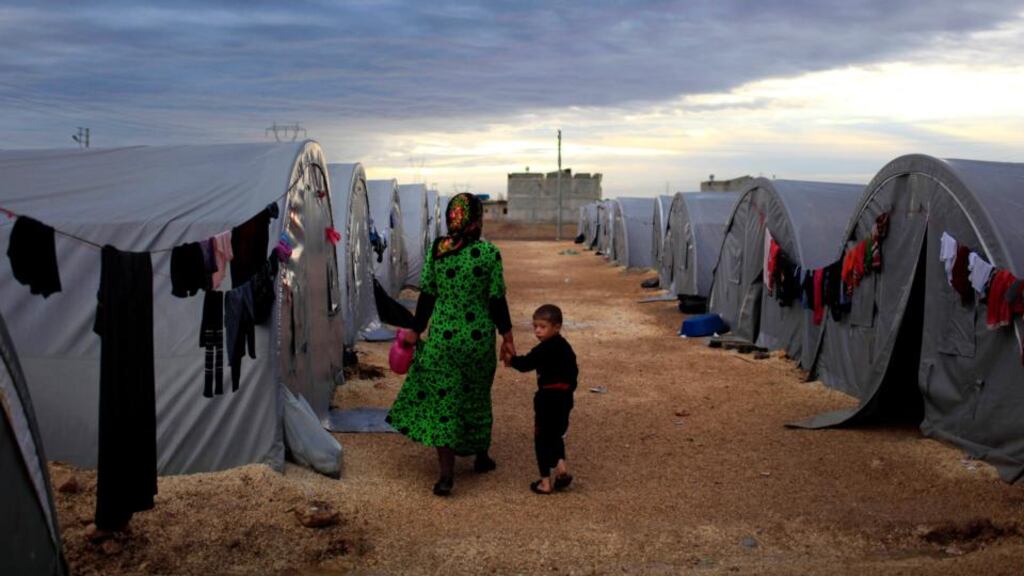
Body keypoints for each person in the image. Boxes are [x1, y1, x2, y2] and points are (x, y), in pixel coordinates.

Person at [386, 193, 515, 496]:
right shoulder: (488, 254)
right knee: (477, 397)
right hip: (478, 341)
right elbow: (497, 300)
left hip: (443, 340)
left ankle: (446, 477)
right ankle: (481, 458)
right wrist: (508, 337)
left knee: (445, 402)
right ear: (477, 220)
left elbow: (427, 295)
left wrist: (416, 331)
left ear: (450, 218)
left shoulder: (438, 251)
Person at [505, 304, 578, 495]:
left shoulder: (543, 349)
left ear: (556, 327)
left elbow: (525, 364)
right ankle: (561, 468)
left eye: (542, 326)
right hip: (565, 399)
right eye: (535, 326)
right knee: (557, 434)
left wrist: (510, 360)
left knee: (542, 438)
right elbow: (574, 374)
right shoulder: (566, 348)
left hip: (547, 399)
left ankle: (545, 482)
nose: (537, 330)